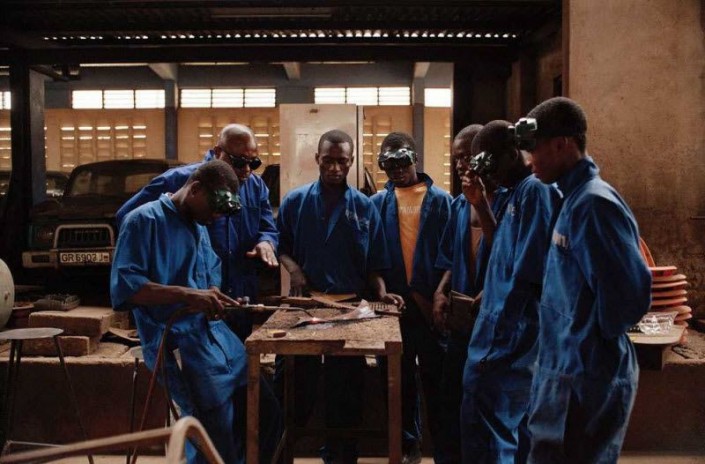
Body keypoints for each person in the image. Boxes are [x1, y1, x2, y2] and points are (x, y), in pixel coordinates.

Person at [111, 160, 281, 464]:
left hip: (218, 340)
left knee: (267, 411)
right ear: (196, 188)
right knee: (214, 436)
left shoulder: (199, 225)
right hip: (178, 344)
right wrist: (188, 294)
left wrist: (215, 297)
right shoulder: (143, 222)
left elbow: (209, 271)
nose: (216, 217)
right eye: (213, 209)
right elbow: (126, 289)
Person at [524, 97, 651, 463]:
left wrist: (588, 344)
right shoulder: (570, 200)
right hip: (563, 372)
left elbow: (629, 297)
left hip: (584, 377)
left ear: (561, 144)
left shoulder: (594, 205)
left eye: (535, 149)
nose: (530, 160)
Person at [276, 129, 402, 464]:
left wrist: (382, 293)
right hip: (306, 309)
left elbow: (375, 264)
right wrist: (295, 270)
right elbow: (281, 246)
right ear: (317, 159)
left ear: (351, 162)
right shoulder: (295, 202)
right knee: (293, 388)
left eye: (341, 161)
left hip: (350, 311)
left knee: (345, 394)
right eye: (328, 161)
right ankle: (281, 453)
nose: (334, 168)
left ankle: (340, 457)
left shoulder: (364, 207)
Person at [116, 123, 278, 341]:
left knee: (234, 350)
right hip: (184, 301)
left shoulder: (255, 186)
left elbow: (267, 227)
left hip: (235, 288)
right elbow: (131, 219)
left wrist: (266, 241)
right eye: (240, 162)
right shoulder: (178, 180)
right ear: (218, 151)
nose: (247, 170)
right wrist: (166, 265)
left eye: (254, 163)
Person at [460, 120, 560, 463]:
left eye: (492, 166)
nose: (489, 177)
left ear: (512, 153)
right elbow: (503, 250)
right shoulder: (514, 192)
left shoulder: (535, 191)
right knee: (505, 425)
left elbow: (528, 272)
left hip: (510, 332)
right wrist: (480, 203)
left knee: (491, 425)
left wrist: (499, 335)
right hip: (503, 325)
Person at [371, 132, 451, 463]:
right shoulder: (377, 203)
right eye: (389, 164)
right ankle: (408, 447)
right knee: (396, 381)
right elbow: (372, 258)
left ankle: (444, 449)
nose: (397, 169)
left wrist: (440, 292)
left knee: (437, 380)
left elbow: (451, 254)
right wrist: (381, 289)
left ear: (415, 158)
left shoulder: (442, 201)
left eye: (403, 161)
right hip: (396, 308)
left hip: (430, 306)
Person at [433, 123, 500, 464]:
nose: (460, 164)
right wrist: (441, 291)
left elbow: (507, 253)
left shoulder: (507, 201)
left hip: (494, 320)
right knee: (450, 397)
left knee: (486, 402)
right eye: (456, 157)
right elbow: (449, 257)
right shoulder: (459, 205)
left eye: (467, 156)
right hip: (462, 319)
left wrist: (482, 205)